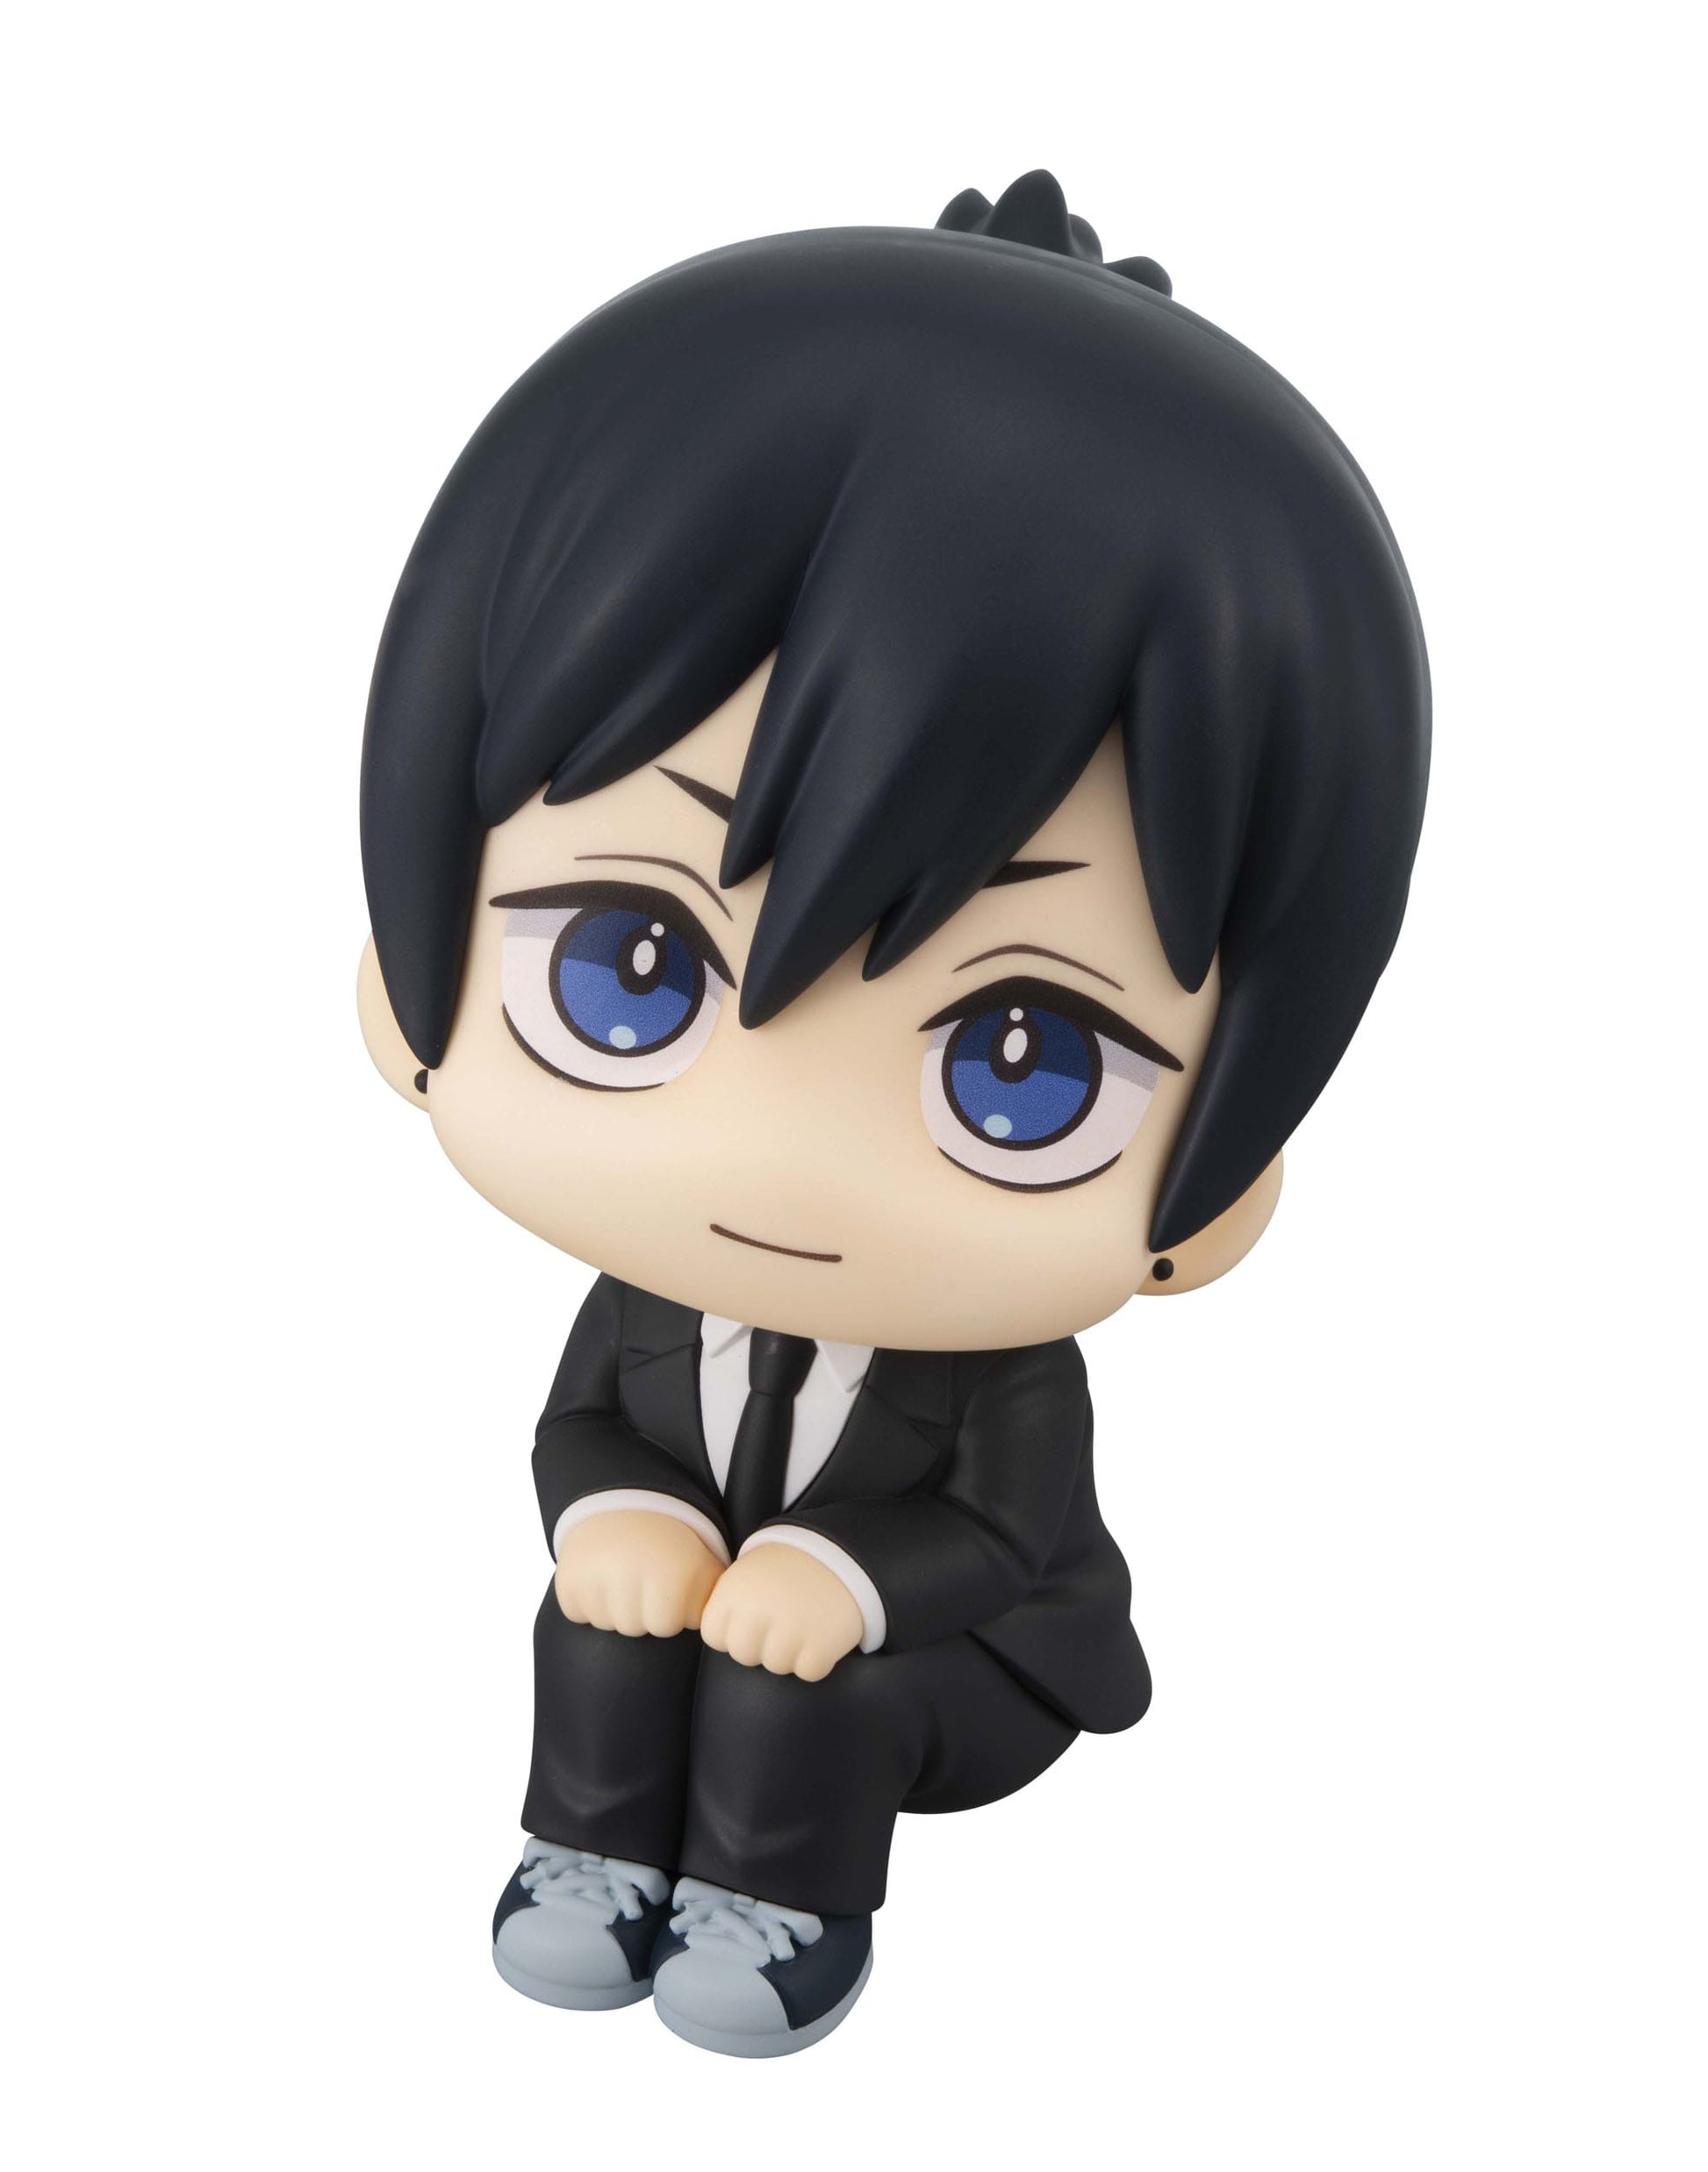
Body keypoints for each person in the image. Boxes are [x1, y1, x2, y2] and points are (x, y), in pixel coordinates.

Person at [355, 169, 1429, 2056]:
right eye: (629, 966)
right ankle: (586, 1852)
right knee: (594, 1612)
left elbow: (1010, 1540)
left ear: (1220, 1191)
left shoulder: (995, 1366)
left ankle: (782, 1907)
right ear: (402, 982)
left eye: (1026, 1056)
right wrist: (615, 1509)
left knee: (808, 1690)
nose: (779, 1153)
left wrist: (841, 1577)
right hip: (703, 1616)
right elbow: (580, 1425)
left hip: (953, 1662)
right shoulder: (649, 1302)